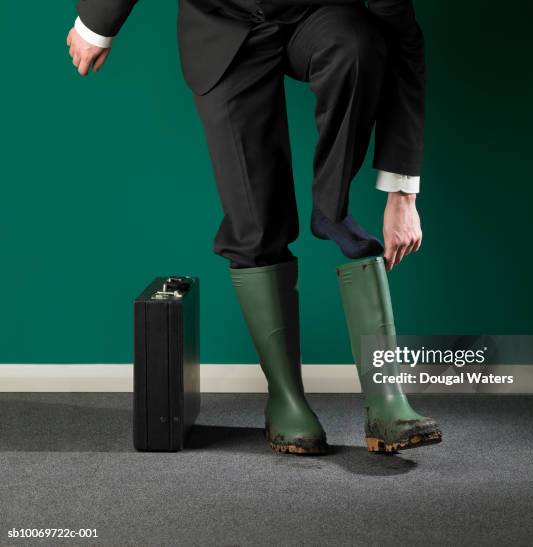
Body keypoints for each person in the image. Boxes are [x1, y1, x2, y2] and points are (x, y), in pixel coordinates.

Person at [67, 0, 441, 454]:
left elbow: (402, 42)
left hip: (317, 13)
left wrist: (403, 195)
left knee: (358, 46)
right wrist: (97, 23)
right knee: (256, 223)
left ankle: (387, 400)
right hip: (222, 24)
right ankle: (286, 401)